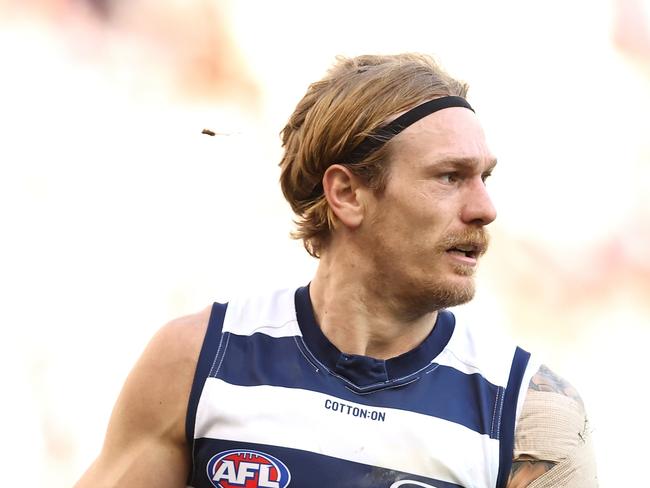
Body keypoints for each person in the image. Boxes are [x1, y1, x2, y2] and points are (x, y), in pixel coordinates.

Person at [75, 53, 597, 488]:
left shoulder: (529, 410)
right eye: (449, 176)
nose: (485, 207)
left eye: (484, 177)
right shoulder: (198, 360)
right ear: (347, 194)